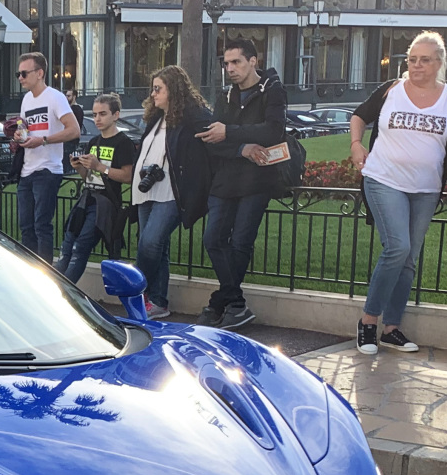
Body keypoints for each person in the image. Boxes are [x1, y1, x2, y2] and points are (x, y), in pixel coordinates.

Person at [350, 32, 447, 355]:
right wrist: (356, 144)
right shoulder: (391, 89)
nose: (416, 65)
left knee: (408, 260)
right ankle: (368, 321)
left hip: (426, 189)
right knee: (397, 248)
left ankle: (391, 328)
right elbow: (359, 116)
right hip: (383, 179)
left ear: (439, 63)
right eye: (412, 59)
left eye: (425, 60)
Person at [194, 38, 288, 329]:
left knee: (241, 242)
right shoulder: (226, 96)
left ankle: (219, 302)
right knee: (213, 239)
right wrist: (242, 147)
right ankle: (233, 302)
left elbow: (273, 131)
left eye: (236, 62)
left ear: (253, 61)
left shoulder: (273, 90)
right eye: (226, 63)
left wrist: (231, 133)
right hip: (226, 179)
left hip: (258, 179)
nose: (230, 68)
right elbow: (212, 141)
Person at [129, 67, 214, 316]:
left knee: (150, 243)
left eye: (159, 89)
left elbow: (207, 136)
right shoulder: (156, 118)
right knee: (158, 246)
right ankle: (158, 301)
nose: (153, 94)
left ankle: (136, 291)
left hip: (171, 191)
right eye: (153, 88)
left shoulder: (191, 117)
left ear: (173, 90)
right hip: (146, 190)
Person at [56, 93, 137, 285]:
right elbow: (89, 178)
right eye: (94, 114)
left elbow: (128, 176)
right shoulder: (94, 142)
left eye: (103, 114)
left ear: (115, 115)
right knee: (67, 244)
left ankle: (65, 290)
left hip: (105, 203)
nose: (97, 119)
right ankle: (54, 286)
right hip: (87, 198)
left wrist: (100, 167)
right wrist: (80, 168)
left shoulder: (123, 143)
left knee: (80, 246)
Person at [14, 51, 80, 262]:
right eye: (18, 73)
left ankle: (46, 273)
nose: (20, 78)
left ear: (40, 73)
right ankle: (30, 271)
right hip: (27, 167)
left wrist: (43, 140)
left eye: (24, 73)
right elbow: (26, 127)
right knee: (26, 226)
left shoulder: (55, 97)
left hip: (48, 168)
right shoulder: (26, 99)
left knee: (41, 224)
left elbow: (74, 130)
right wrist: (20, 134)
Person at [63, 87, 86, 172]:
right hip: (69, 139)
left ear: (74, 96)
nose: (67, 98)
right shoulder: (73, 109)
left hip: (70, 140)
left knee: (66, 163)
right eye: (66, 96)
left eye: (69, 96)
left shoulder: (75, 109)